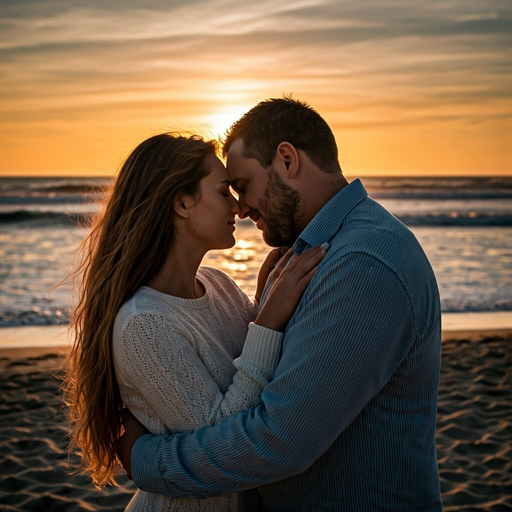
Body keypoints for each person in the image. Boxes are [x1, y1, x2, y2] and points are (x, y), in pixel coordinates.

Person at [118, 97, 443, 511]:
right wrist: (261, 313)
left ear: (287, 160)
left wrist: (144, 459)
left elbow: (278, 441)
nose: (242, 206)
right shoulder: (318, 256)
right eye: (229, 191)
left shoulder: (360, 264)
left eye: (243, 185)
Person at [63, 132, 328, 511]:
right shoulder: (143, 325)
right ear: (183, 203)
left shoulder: (218, 285)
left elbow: (258, 378)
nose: (238, 208)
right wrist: (266, 322)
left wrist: (262, 304)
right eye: (223, 193)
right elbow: (220, 446)